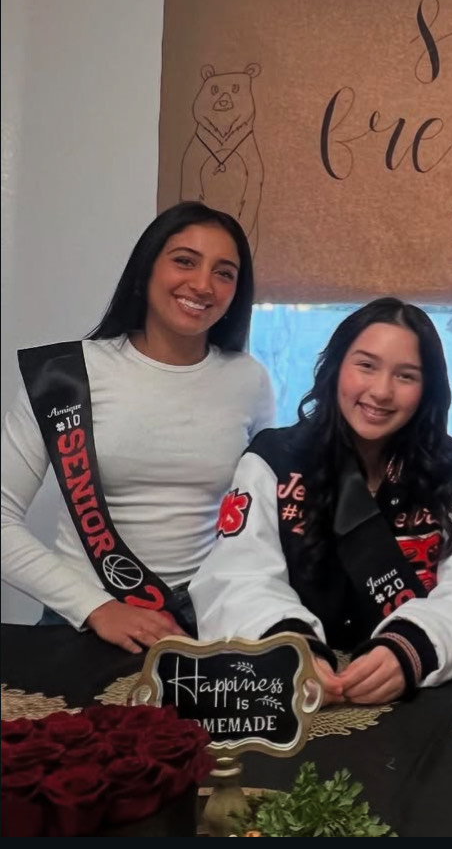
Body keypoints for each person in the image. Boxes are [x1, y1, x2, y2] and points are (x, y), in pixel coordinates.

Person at [191, 298, 452, 704]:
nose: (381, 391)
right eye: (366, 365)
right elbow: (236, 575)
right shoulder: (273, 459)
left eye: (406, 375)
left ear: (428, 389)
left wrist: (410, 650)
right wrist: (291, 647)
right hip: (295, 693)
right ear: (335, 368)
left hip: (421, 700)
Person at [1, 201, 274, 653]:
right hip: (82, 621)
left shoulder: (250, 380)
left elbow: (258, 515)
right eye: (184, 261)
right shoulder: (64, 377)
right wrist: (96, 607)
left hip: (205, 621)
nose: (203, 284)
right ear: (146, 269)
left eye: (225, 273)